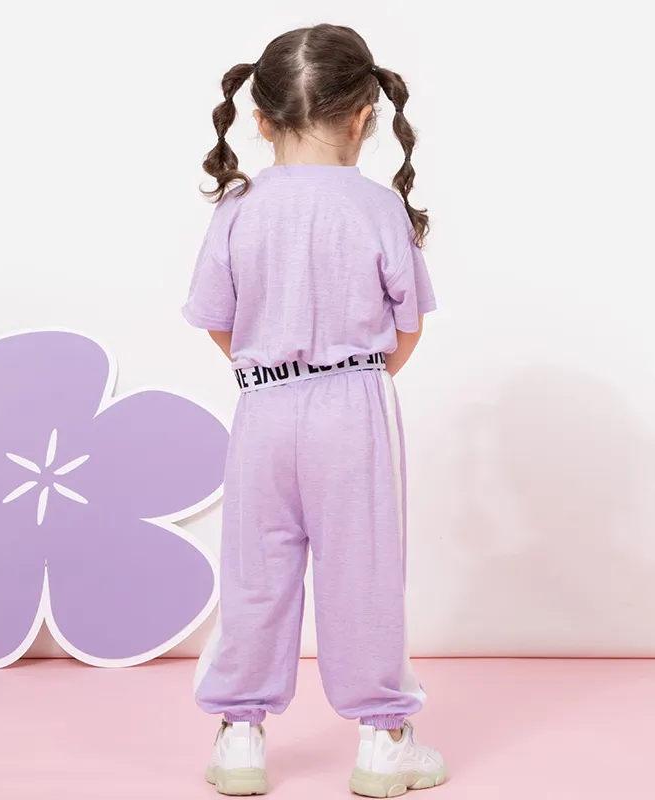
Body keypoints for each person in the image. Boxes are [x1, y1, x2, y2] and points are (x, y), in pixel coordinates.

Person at [183, 23, 445, 798]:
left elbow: (218, 321)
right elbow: (407, 326)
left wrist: (271, 368)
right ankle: (383, 743)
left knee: (255, 571)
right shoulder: (377, 207)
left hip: (263, 408)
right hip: (353, 406)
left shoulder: (238, 207)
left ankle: (239, 737)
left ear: (260, 120)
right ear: (365, 116)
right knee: (364, 570)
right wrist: (356, 375)